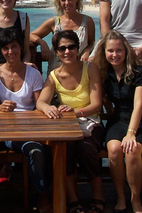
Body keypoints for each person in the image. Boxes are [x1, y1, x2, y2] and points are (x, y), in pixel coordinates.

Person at [36, 30, 104, 213]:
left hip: (91, 124)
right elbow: (40, 101)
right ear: (56, 52)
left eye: (71, 47)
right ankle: (73, 199)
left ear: (78, 48)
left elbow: (97, 104)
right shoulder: (54, 75)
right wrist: (48, 108)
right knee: (64, 150)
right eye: (62, 48)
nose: (67, 52)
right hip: (69, 127)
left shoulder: (90, 68)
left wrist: (76, 111)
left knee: (86, 148)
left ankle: (98, 195)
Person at [0, 29, 51, 212]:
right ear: (1, 50)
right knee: (36, 150)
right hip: (5, 130)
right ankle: (44, 196)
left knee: (44, 149)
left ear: (20, 48)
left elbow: (40, 104)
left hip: (30, 128)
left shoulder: (33, 74)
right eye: (6, 48)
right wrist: (0, 108)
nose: (10, 52)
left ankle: (44, 194)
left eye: (14, 47)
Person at [93, 31, 142, 213]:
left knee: (132, 149)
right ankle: (121, 197)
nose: (115, 55)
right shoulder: (104, 73)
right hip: (118, 119)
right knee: (113, 149)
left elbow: (139, 105)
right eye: (110, 51)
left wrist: (131, 133)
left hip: (140, 120)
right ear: (104, 52)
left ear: (126, 50)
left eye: (119, 50)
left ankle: (136, 199)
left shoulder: (139, 71)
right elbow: (106, 102)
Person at [31, 0, 95, 74]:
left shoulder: (87, 21)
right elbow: (31, 35)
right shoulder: (54, 22)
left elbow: (92, 43)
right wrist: (42, 43)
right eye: (63, 0)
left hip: (79, 73)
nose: (67, 3)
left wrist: (87, 51)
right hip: (57, 73)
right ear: (59, 2)